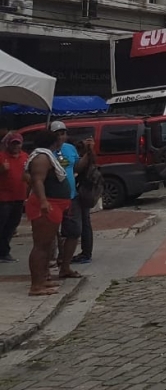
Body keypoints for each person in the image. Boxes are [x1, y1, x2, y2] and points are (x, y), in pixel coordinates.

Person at [25, 128, 71, 296]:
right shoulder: (42, 158)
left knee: (47, 245)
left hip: (55, 204)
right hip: (47, 204)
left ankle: (43, 278)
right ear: (54, 142)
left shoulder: (46, 156)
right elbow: (37, 180)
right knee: (41, 246)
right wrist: (43, 201)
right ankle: (36, 285)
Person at [52, 122, 92, 280]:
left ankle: (65, 266)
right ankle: (48, 267)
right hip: (53, 198)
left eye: (62, 133)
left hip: (71, 197)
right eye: (57, 134)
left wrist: (88, 153)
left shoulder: (69, 148)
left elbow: (77, 167)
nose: (60, 137)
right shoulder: (47, 151)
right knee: (50, 234)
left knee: (74, 232)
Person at [70, 138, 102, 265]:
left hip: (82, 194)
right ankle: (86, 252)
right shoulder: (91, 161)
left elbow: (77, 169)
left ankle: (86, 253)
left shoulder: (85, 162)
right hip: (87, 194)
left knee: (83, 223)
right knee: (86, 222)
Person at [0, 132, 29, 263]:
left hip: (19, 197)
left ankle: (4, 251)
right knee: (2, 224)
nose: (16, 146)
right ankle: (3, 252)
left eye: (18, 143)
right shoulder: (2, 156)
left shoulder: (25, 157)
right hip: (4, 198)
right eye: (13, 144)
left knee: (12, 225)